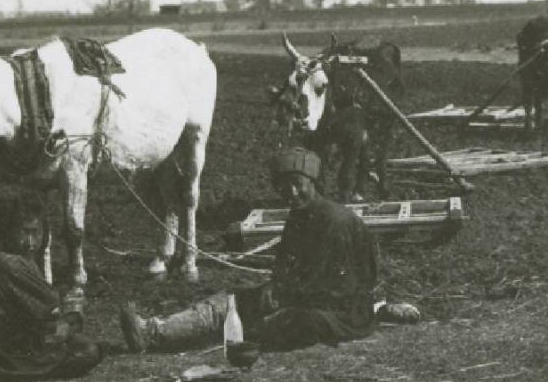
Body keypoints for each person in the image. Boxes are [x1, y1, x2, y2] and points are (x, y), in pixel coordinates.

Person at [119, 147, 420, 353]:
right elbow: (285, 264)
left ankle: (162, 335)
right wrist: (274, 286)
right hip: (306, 298)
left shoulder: (335, 221)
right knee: (233, 300)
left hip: (338, 312)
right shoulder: (298, 217)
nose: (290, 193)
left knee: (277, 323)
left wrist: (282, 295)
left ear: (312, 182)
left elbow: (340, 283)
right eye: (283, 186)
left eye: (298, 184)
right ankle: (154, 332)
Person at [0, 193, 104, 380]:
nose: (31, 243)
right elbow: (52, 308)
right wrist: (71, 319)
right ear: (7, 233)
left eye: (36, 233)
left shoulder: (0, 260)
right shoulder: (12, 265)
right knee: (88, 351)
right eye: (24, 232)